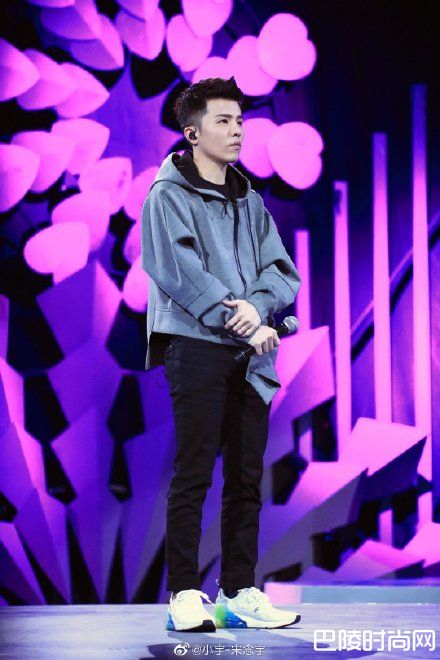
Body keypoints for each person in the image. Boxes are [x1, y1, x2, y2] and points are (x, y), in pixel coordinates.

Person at [141, 77, 302, 632]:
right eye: (223, 121)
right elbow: (177, 269)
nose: (237, 131)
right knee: (193, 473)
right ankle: (184, 594)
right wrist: (240, 319)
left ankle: (237, 592)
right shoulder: (167, 195)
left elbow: (280, 270)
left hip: (252, 354)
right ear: (193, 132)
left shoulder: (250, 199)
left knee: (246, 478)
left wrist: (258, 308)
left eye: (240, 121)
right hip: (197, 347)